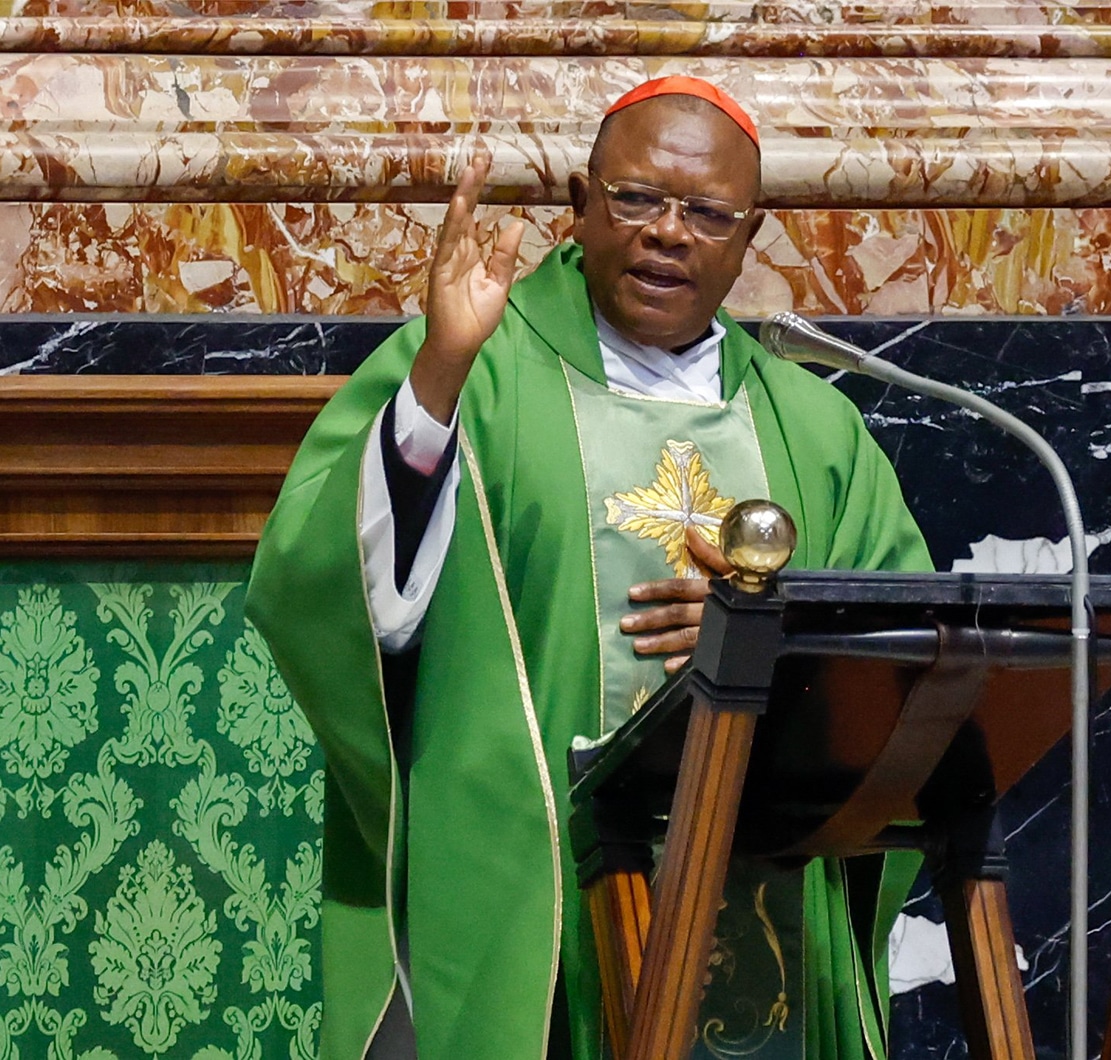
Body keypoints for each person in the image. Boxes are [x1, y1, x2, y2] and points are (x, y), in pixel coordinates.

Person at [247, 77, 931, 1060]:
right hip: (534, 913)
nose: (669, 233)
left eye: (706, 213)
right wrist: (436, 375)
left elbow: (905, 668)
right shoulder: (474, 370)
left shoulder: (813, 429)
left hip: (757, 919)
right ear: (580, 200)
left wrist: (778, 650)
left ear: (750, 236)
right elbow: (328, 594)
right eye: (637, 199)